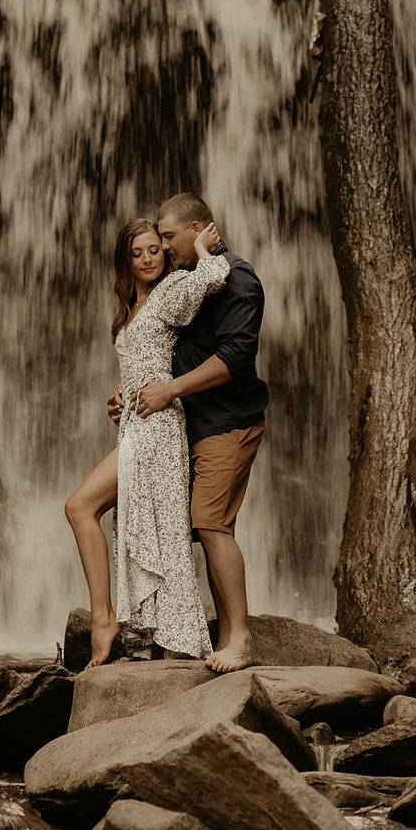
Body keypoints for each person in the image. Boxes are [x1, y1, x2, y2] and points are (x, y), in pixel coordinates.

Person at [65, 216, 229, 669]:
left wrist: (200, 246)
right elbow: (138, 364)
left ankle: (104, 620)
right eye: (137, 253)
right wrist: (118, 399)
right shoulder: (128, 308)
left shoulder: (170, 293)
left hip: (158, 428)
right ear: (126, 260)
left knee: (81, 507)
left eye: (154, 249)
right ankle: (144, 630)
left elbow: (215, 276)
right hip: (135, 424)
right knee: (149, 528)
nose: (147, 259)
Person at [128, 192, 268, 674]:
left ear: (197, 229)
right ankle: (219, 634)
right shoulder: (188, 279)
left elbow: (234, 358)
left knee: (211, 523)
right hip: (192, 425)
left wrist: (169, 391)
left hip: (228, 422)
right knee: (198, 526)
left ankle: (241, 639)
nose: (163, 248)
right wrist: (131, 394)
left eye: (168, 237)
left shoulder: (239, 280)